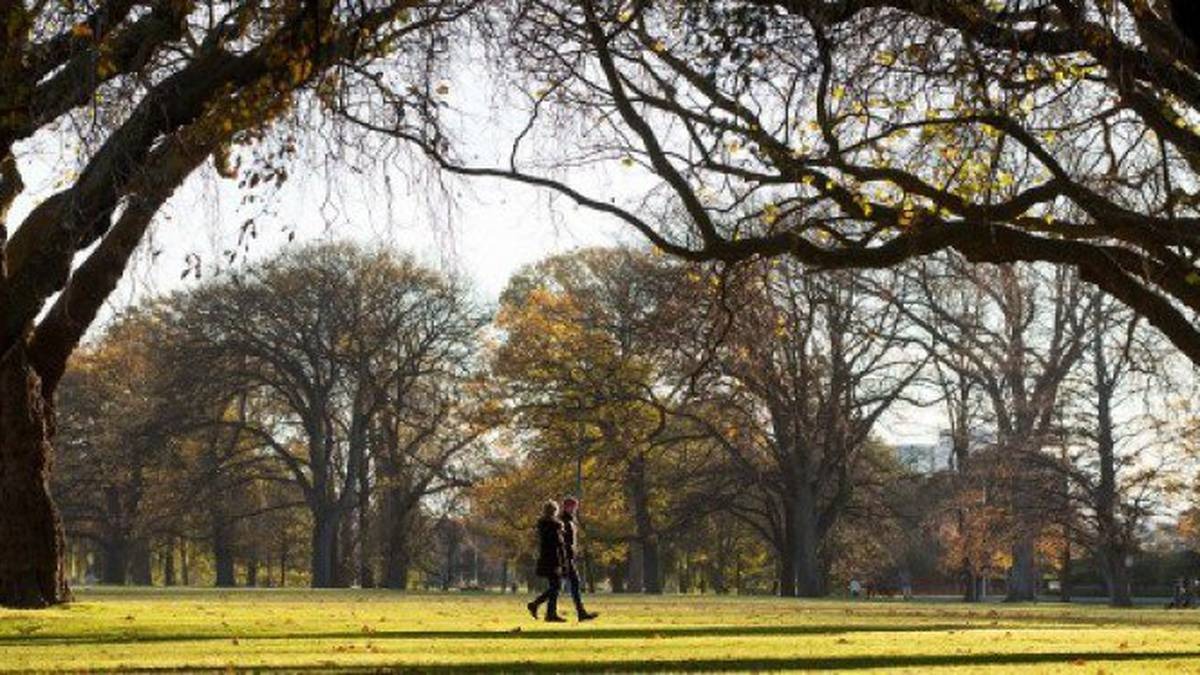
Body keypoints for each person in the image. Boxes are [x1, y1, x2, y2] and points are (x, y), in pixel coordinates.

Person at [527, 500, 568, 622]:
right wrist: (561, 562)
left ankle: (550, 613)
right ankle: (536, 605)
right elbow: (557, 545)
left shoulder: (542, 525)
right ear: (555, 511)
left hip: (545, 558)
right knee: (556, 586)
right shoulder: (555, 526)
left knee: (554, 586)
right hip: (553, 559)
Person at [560, 497, 599, 621]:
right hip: (565, 558)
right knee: (566, 585)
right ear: (567, 507)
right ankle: (581, 613)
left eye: (575, 507)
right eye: (573, 507)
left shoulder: (570, 520)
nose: (575, 509)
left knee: (569, 585)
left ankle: (581, 612)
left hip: (568, 557)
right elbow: (563, 541)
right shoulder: (564, 521)